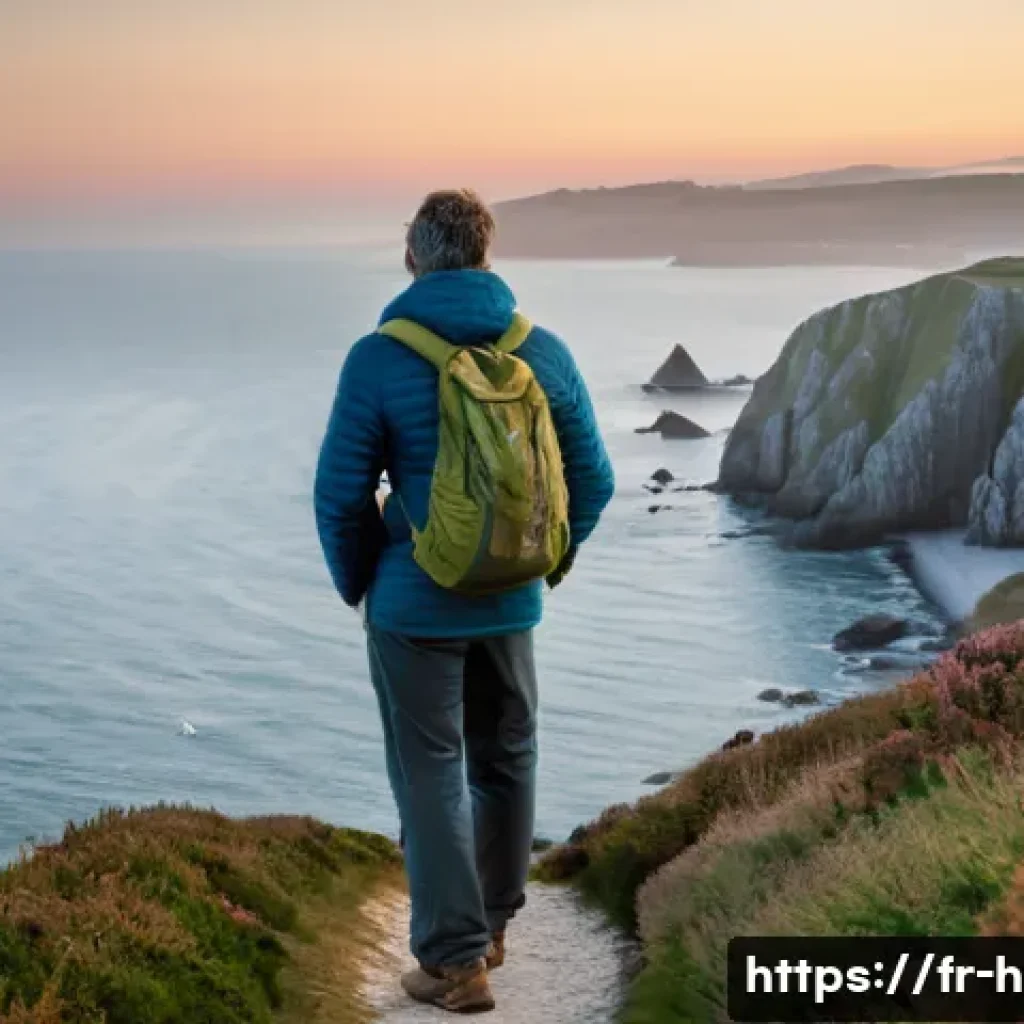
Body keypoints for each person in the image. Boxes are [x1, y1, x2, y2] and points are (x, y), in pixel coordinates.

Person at [314, 189, 614, 1013]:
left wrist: (363, 582)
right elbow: (593, 479)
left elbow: (340, 494)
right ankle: (494, 929)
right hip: (511, 604)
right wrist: (542, 566)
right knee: (507, 758)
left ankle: (453, 963)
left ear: (412, 257)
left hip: (413, 606)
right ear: (487, 254)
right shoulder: (542, 351)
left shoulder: (379, 359)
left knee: (431, 772)